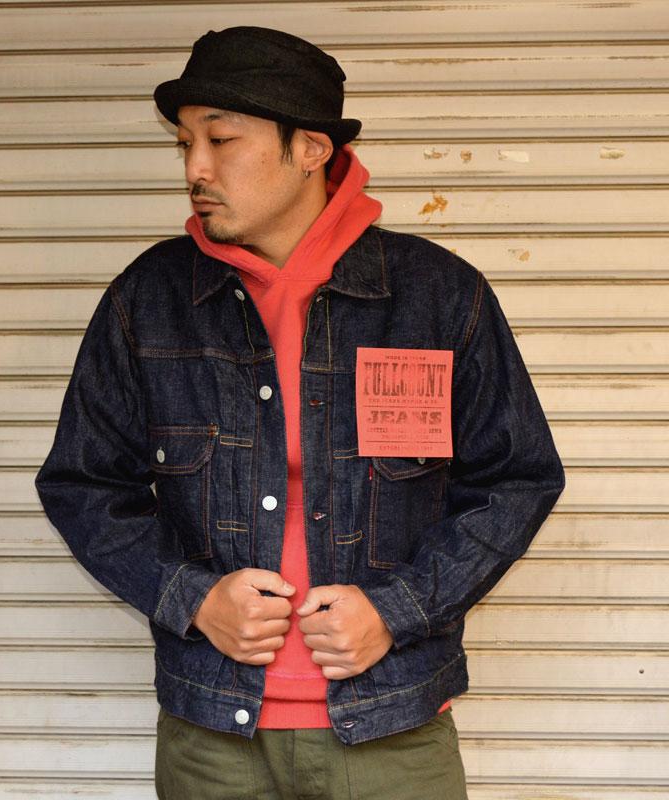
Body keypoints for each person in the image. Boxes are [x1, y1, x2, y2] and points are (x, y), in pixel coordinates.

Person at [35, 25, 564, 799]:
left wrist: (397, 610)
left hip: (393, 734)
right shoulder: (149, 301)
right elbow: (82, 485)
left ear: (311, 148)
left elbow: (517, 478)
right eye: (185, 144)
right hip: (212, 741)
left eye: (221, 139)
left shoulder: (436, 296)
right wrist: (193, 598)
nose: (195, 167)